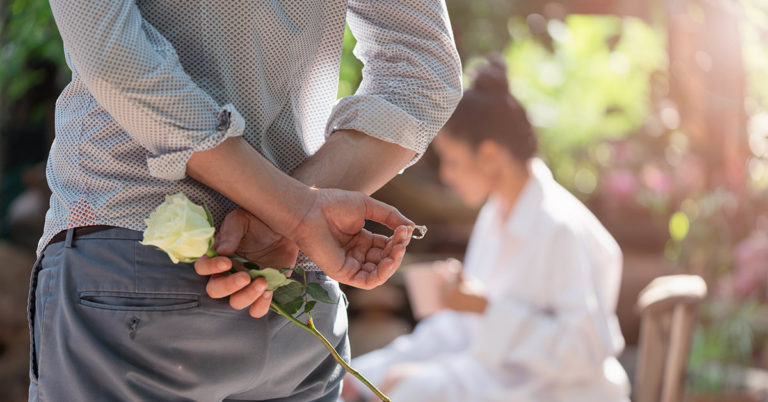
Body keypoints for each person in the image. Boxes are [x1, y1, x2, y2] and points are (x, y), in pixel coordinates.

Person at [29, 1, 461, 400]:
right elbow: (424, 72)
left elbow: (109, 53)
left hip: (136, 262)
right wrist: (287, 214)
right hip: (294, 301)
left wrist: (292, 212)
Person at [343, 57, 630, 402]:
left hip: (560, 391)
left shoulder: (560, 227)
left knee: (411, 388)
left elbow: (586, 352)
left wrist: (486, 309)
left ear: (491, 155)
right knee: (381, 384)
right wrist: (360, 376)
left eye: (452, 161)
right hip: (503, 381)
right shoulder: (495, 216)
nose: (446, 176)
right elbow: (459, 329)